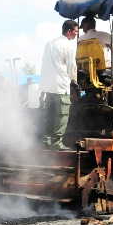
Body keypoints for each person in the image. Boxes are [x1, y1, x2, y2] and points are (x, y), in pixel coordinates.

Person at [38, 20, 78, 150]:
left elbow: (44, 63)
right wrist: (74, 81)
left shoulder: (49, 44)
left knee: (49, 114)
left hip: (48, 86)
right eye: (76, 32)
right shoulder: (68, 46)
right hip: (61, 86)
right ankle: (56, 142)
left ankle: (46, 140)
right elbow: (72, 67)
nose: (76, 35)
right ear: (69, 31)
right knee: (62, 115)